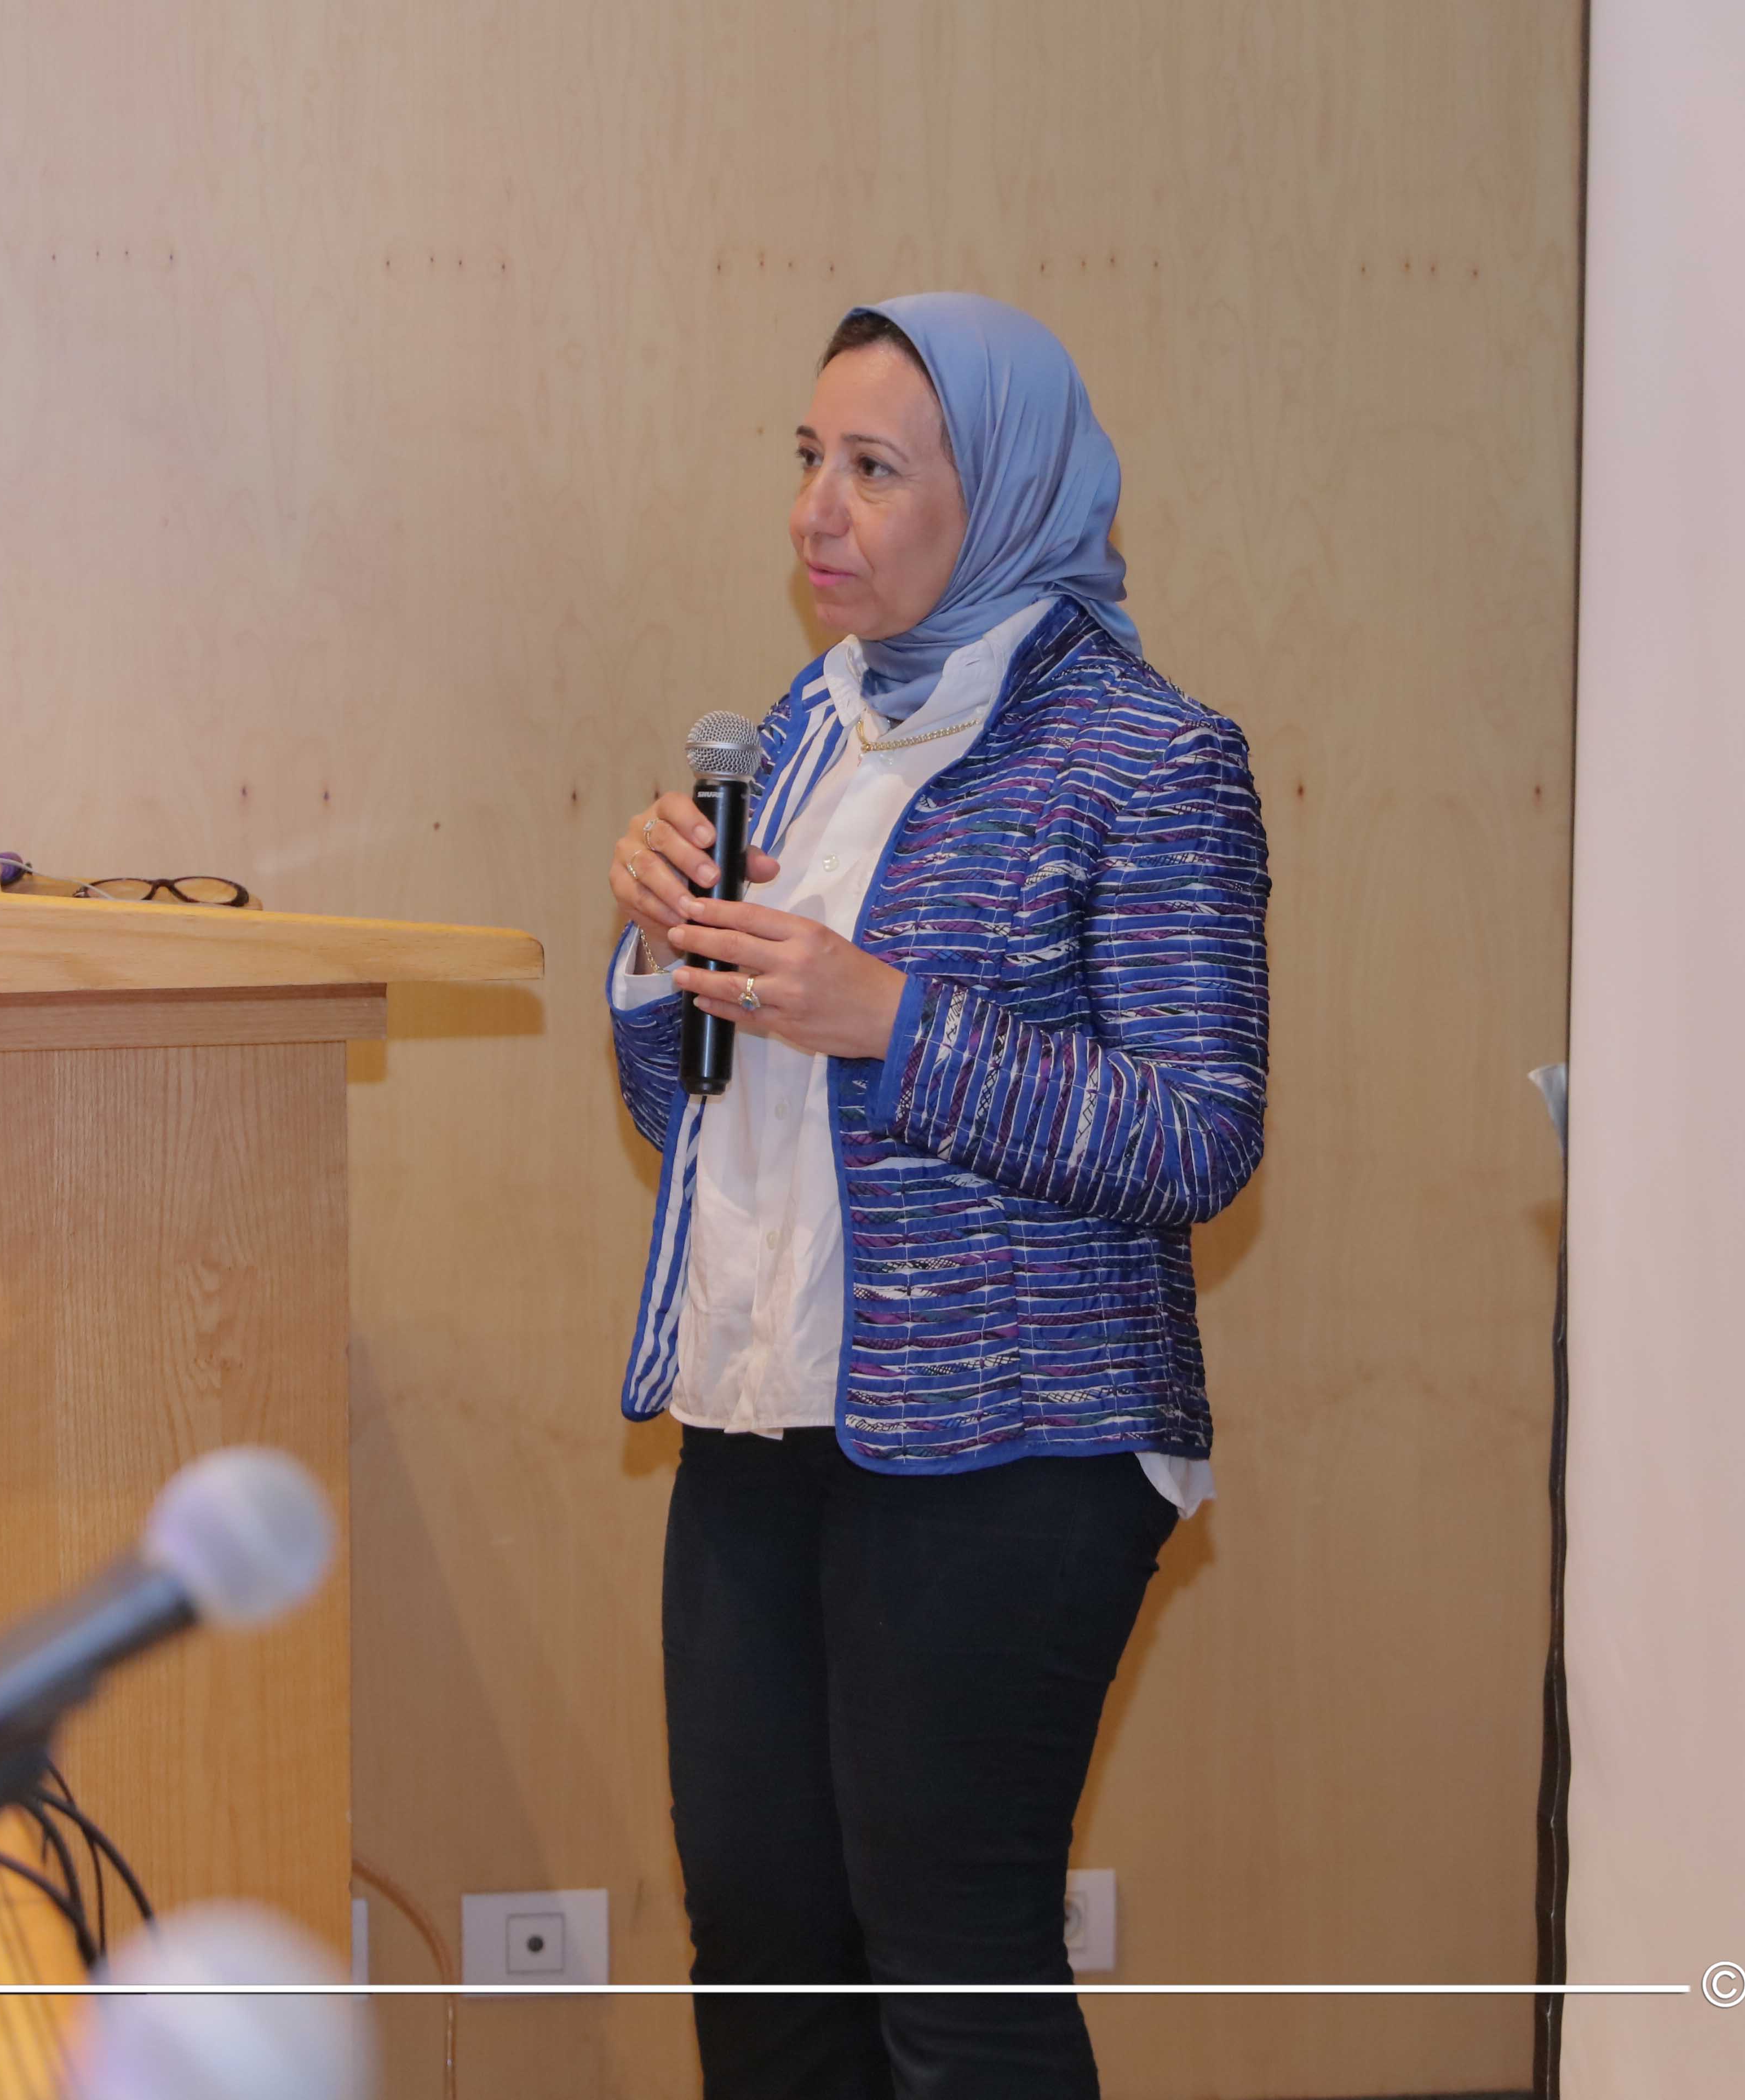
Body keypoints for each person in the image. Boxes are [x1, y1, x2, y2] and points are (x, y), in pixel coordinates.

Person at [601, 292, 1271, 2099]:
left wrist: (894, 1018)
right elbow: (695, 1113)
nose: (815, 510)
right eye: (806, 458)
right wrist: (657, 953)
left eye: (875, 468)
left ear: (1008, 494)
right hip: (761, 1407)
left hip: (1015, 1439)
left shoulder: (1148, 757)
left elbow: (1197, 1133)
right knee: (761, 1951)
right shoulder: (802, 733)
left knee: (951, 1969)